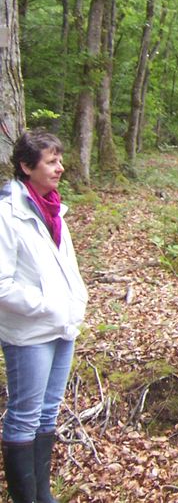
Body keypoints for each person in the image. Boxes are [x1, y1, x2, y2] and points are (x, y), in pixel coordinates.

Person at [1, 130, 88, 503]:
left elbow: (64, 267)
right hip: (29, 334)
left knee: (48, 414)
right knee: (24, 415)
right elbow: (2, 283)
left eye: (59, 160)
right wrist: (45, 305)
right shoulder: (8, 213)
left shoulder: (53, 207)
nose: (60, 168)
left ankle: (42, 493)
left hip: (61, 326)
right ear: (26, 166)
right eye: (51, 162)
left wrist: (73, 302)